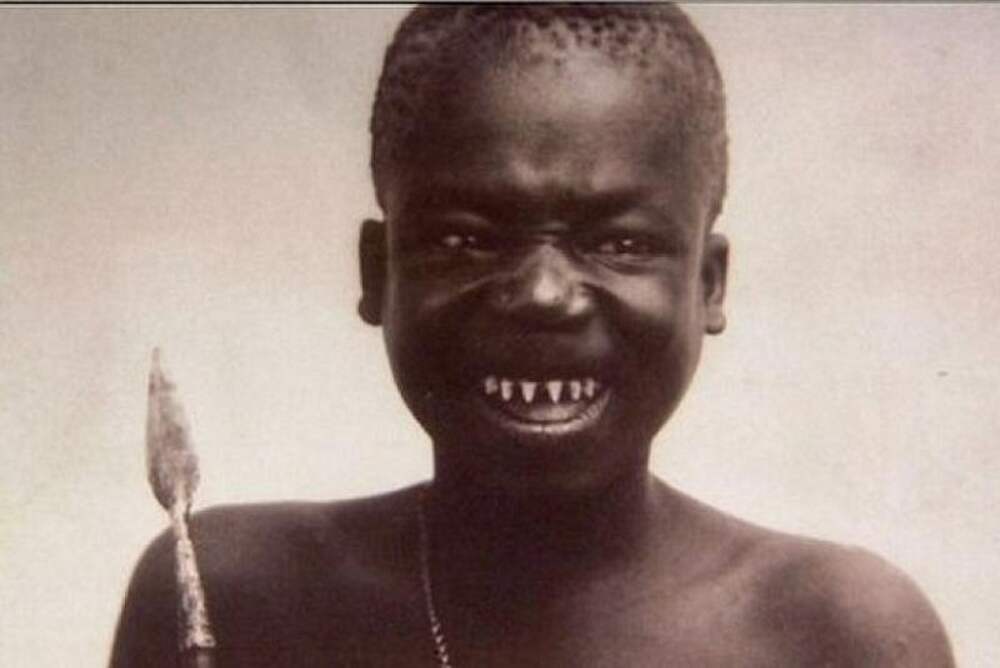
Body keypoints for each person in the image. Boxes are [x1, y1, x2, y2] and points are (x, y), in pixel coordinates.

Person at [111, 5, 954, 666]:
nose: (544, 294)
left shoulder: (837, 634)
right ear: (378, 272)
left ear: (707, 283)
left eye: (620, 241)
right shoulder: (224, 597)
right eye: (466, 237)